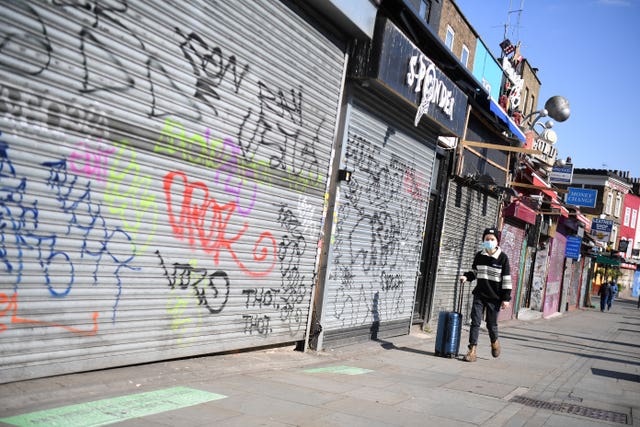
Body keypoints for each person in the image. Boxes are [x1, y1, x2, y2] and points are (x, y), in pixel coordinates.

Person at [459, 227, 512, 362]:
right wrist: (466, 277)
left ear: (497, 241)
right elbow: (475, 272)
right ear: (483, 240)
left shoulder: (502, 258)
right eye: (487, 239)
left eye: (492, 239)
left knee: (491, 324)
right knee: (475, 322)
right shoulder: (479, 256)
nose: (489, 241)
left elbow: (506, 279)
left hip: (495, 297)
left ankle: (494, 342)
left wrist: (506, 298)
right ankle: (472, 351)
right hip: (480, 295)